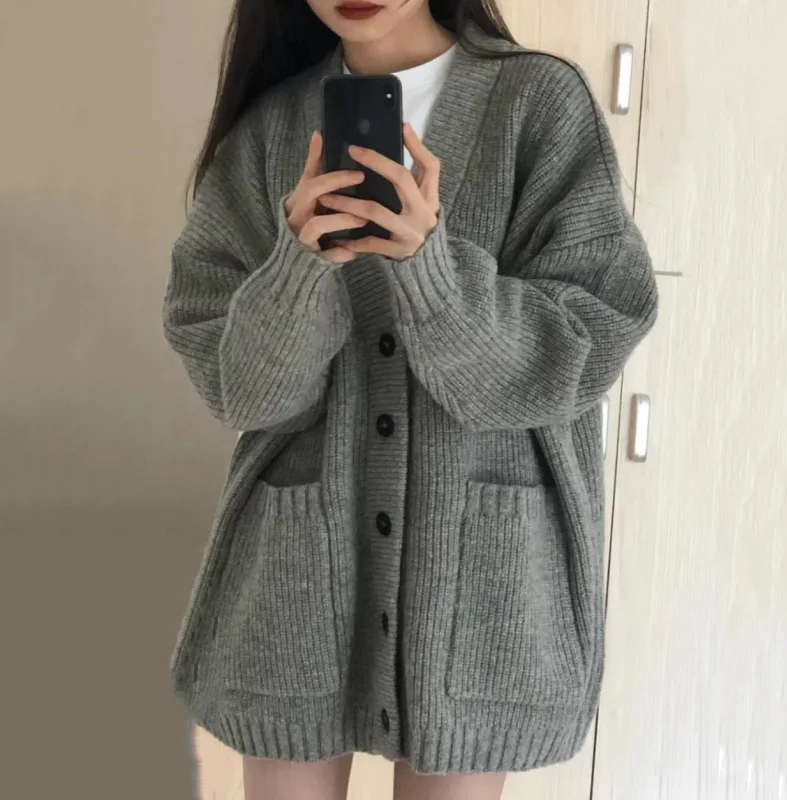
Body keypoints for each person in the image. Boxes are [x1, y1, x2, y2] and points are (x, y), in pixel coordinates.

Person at [161, 1, 659, 798]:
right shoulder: (267, 133)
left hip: (478, 585)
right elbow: (244, 391)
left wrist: (432, 270)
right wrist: (295, 268)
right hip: (298, 581)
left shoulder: (537, 103)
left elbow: (587, 338)